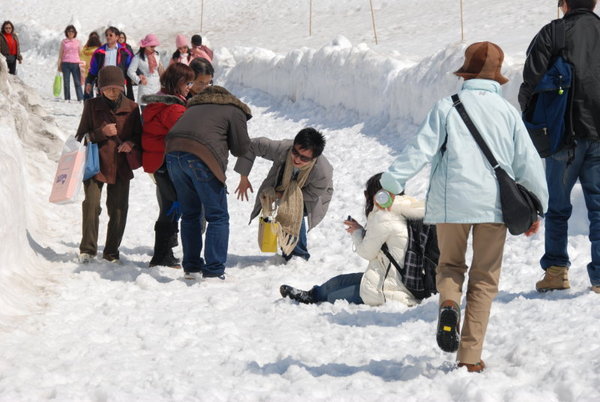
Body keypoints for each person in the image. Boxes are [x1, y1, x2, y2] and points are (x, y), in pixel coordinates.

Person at [379, 42, 548, 372]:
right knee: (484, 279)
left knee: (450, 266)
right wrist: (536, 207)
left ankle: (450, 303)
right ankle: (469, 359)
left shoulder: (447, 106)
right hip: (495, 207)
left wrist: (390, 184)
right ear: (496, 79)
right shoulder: (508, 114)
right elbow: (528, 163)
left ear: (466, 74)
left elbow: (419, 149)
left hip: (450, 204)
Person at [519, 0, 600, 295]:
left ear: (563, 4)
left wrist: (533, 121)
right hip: (599, 136)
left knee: (557, 208)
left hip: (563, 138)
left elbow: (530, 80)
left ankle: (555, 272)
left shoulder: (553, 33)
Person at [280, 173, 421, 306]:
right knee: (337, 283)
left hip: (391, 290)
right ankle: (311, 295)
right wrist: (361, 230)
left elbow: (367, 252)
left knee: (333, 297)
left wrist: (357, 232)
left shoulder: (384, 218)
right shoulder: (405, 210)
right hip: (393, 278)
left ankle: (314, 299)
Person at [165, 85, 251, 280]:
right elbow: (241, 148)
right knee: (217, 216)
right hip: (201, 158)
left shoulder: (193, 108)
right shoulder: (234, 110)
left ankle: (192, 268)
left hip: (172, 155)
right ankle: (213, 270)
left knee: (190, 214)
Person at [234, 128, 334, 262]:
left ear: (314, 158)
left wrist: (281, 195)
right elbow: (252, 145)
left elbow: (313, 193)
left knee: (294, 210)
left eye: (303, 158)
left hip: (311, 195)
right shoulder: (283, 148)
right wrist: (244, 177)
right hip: (284, 185)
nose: (297, 159)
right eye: (295, 152)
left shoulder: (323, 173)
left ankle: (298, 254)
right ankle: (289, 252)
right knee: (287, 207)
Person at [75, 66, 142, 263]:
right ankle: (87, 249)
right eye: (108, 88)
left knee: (119, 209)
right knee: (91, 205)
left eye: (116, 88)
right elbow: (80, 136)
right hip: (95, 165)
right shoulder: (91, 106)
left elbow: (139, 136)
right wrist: (101, 133)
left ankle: (111, 251)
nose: (112, 92)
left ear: (122, 87)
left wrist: (131, 143)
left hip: (121, 166)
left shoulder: (132, 107)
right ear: (100, 88)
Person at [141, 63, 195, 268]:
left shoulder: (163, 100)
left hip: (158, 162)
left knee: (169, 205)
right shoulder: (173, 107)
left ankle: (166, 252)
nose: (189, 86)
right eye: (187, 82)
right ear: (176, 83)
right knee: (170, 207)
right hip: (163, 162)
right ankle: (161, 255)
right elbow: (186, 131)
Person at [85, 26, 134, 101]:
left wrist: (136, 79)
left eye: (111, 35)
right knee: (103, 108)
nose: (108, 37)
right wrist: (89, 82)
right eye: (107, 35)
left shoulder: (124, 52)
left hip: (118, 83)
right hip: (103, 83)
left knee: (118, 107)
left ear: (117, 37)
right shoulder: (99, 52)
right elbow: (93, 69)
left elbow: (130, 69)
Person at [127, 34, 164, 107]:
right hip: (145, 88)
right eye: (151, 46)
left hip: (157, 87)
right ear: (146, 46)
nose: (153, 48)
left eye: (154, 46)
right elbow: (130, 71)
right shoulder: (138, 57)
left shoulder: (157, 55)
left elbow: (160, 70)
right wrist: (139, 80)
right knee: (145, 111)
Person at [57, 25, 83, 102]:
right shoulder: (64, 42)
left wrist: (82, 64)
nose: (70, 33)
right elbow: (60, 54)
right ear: (66, 32)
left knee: (77, 81)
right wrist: (59, 65)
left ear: (75, 33)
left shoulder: (78, 42)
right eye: (69, 31)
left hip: (75, 63)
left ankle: (80, 98)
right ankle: (67, 98)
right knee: (66, 82)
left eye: (72, 31)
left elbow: (81, 53)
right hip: (65, 63)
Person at [80, 31, 101, 98]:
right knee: (91, 91)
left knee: (89, 92)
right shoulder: (101, 49)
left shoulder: (84, 50)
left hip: (92, 72)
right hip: (92, 73)